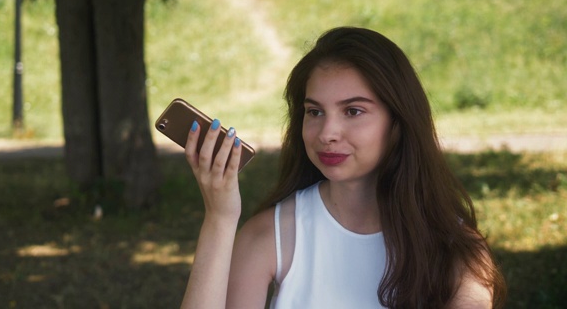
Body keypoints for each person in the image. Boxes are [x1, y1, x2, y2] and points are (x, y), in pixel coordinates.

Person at [180, 27, 506, 308]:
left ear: (398, 122)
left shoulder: (456, 247)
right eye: (315, 112)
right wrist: (220, 218)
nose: (327, 134)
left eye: (352, 111)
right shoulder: (270, 235)